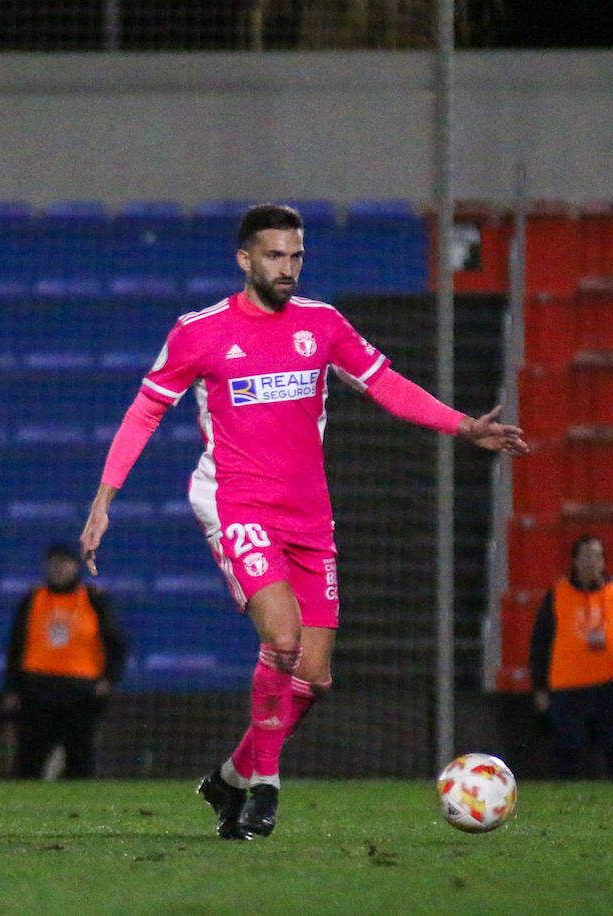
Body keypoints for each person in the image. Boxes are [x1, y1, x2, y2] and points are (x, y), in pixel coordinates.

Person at [79, 203, 528, 839]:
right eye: (274, 256)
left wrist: (464, 426)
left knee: (313, 676)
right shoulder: (199, 332)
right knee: (282, 642)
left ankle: (231, 776)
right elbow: (144, 412)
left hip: (309, 514)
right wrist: (104, 498)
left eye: (296, 256)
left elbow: (387, 384)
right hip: (238, 504)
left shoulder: (322, 326)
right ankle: (265, 786)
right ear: (244, 260)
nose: (287, 268)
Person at [529, 535, 613, 780]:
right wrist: (540, 686)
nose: (591, 562)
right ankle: (568, 806)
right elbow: (540, 642)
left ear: (603, 562)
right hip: (568, 685)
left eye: (596, 556)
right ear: (574, 561)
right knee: (567, 750)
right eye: (585, 556)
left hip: (612, 683)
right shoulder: (557, 594)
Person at [2, 544, 127, 779]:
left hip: (80, 691)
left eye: (64, 564)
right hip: (37, 689)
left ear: (75, 567)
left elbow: (116, 642)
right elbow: (16, 645)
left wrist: (109, 678)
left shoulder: (93, 599)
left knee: (80, 758)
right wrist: (12, 688)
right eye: (53, 564)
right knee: (29, 759)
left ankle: (78, 810)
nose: (58, 569)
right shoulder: (32, 599)